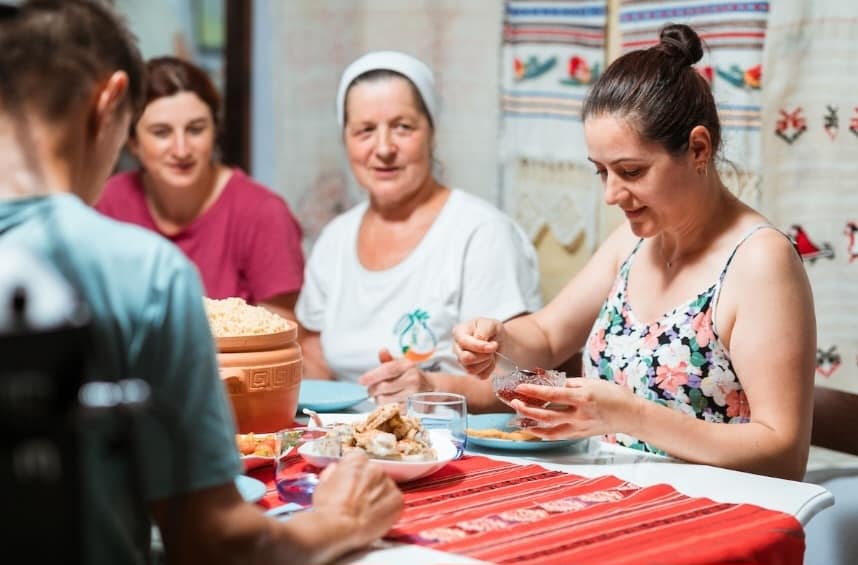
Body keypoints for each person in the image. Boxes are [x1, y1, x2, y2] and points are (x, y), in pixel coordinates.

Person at [0, 2, 401, 564]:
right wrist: (341, 520)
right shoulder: (142, 272)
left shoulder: (246, 214)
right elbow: (218, 543)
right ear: (111, 102)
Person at [453, 24, 816, 481]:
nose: (611, 194)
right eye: (601, 171)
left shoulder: (760, 261)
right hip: (612, 490)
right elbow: (546, 337)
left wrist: (632, 416)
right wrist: (498, 341)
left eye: (630, 171)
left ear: (698, 149)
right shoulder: (634, 241)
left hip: (719, 509)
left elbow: (783, 451)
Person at [296, 50, 542, 412]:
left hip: (453, 448)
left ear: (431, 133)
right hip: (348, 443)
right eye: (365, 130)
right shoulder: (335, 239)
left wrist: (431, 387)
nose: (383, 149)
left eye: (403, 127)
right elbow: (316, 360)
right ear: (346, 139)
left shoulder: (480, 233)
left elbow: (523, 380)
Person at [96, 56, 304, 322]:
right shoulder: (106, 204)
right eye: (161, 133)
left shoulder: (263, 213)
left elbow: (282, 336)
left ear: (215, 132)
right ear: (133, 142)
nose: (181, 150)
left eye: (195, 130)